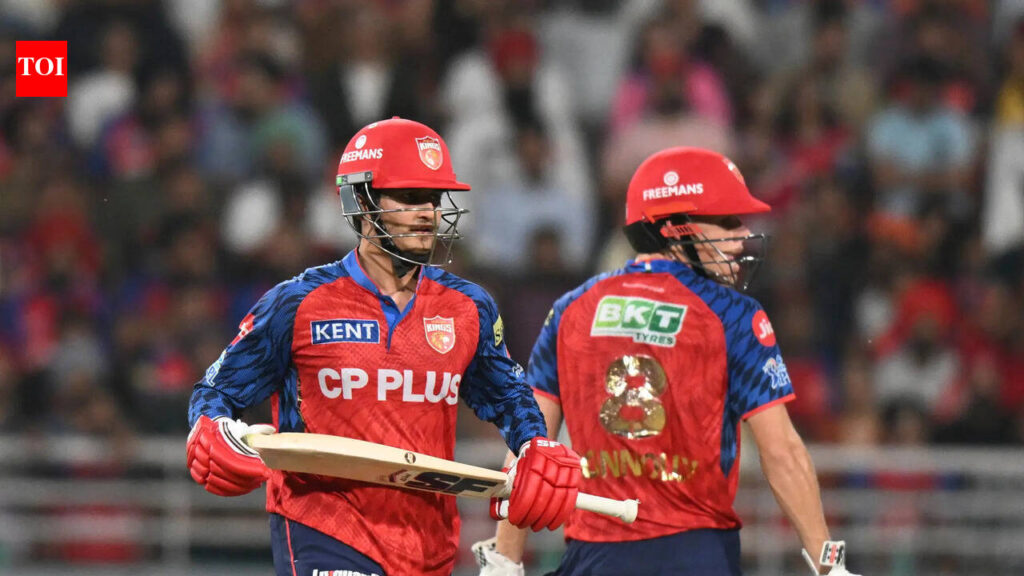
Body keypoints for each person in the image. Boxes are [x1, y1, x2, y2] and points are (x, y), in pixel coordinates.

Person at [185, 117, 583, 576]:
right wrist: (212, 427)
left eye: (434, 199)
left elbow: (509, 396)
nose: (428, 213)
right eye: (410, 197)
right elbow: (216, 391)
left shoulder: (469, 307)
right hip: (323, 531)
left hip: (429, 544)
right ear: (361, 201)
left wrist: (535, 444)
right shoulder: (296, 303)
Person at [474, 147, 860, 575]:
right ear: (676, 230)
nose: (743, 236)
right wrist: (830, 567)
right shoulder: (734, 315)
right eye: (728, 221)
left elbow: (529, 448)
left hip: (595, 558)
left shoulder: (571, 309)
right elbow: (782, 452)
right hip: (696, 555)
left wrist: (504, 561)